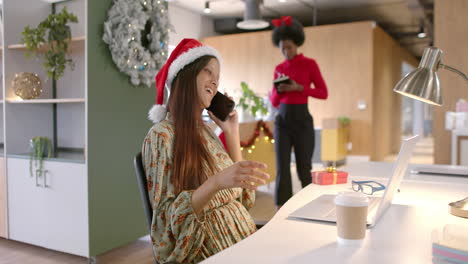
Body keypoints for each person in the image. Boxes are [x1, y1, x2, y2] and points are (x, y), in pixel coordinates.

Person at [142, 39, 270, 263]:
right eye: (207, 72)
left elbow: (244, 200)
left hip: (246, 244)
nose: (215, 81)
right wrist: (216, 182)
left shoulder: (206, 133)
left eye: (218, 77)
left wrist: (232, 133)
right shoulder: (161, 136)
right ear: (186, 75)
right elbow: (165, 223)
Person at [269, 16, 328, 209]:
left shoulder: (310, 64)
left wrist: (299, 88)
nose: (286, 52)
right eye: (282, 49)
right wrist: (279, 91)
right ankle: (281, 208)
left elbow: (323, 93)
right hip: (282, 122)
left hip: (302, 121)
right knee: (282, 169)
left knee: (304, 168)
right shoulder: (278, 69)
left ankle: (309, 205)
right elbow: (274, 102)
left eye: (289, 47)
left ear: (297, 44)